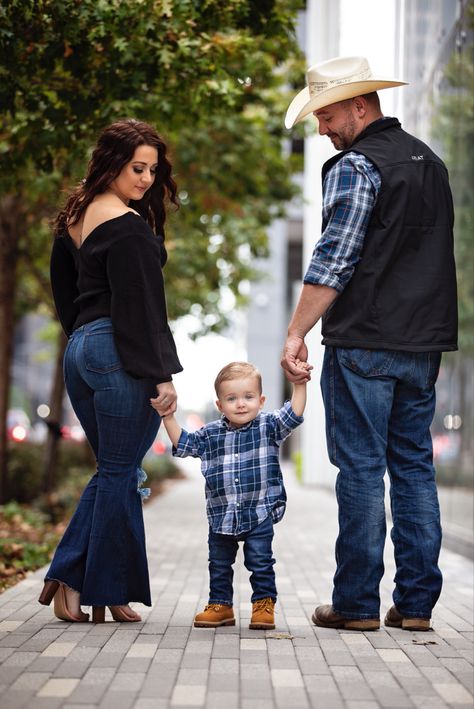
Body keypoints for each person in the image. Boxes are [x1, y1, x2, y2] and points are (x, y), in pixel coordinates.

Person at [281, 56, 457, 632]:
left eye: (327, 115)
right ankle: (415, 607)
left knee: (359, 469)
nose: (323, 129)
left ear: (361, 105)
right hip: (422, 345)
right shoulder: (431, 163)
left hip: (364, 342)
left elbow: (335, 257)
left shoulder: (357, 165)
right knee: (413, 469)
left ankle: (355, 604)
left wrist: (296, 330)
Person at [39, 119, 183, 623]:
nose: (145, 179)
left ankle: (109, 589)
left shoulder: (74, 219)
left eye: (152, 170)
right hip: (119, 351)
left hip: (82, 350)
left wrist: (84, 341)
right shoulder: (126, 225)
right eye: (136, 167)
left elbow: (65, 295)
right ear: (112, 163)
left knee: (116, 472)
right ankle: (70, 577)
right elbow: (143, 308)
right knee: (120, 470)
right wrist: (163, 376)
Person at [151, 361, 307, 629]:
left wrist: (299, 383)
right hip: (221, 516)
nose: (241, 404)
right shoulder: (211, 434)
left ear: (261, 400)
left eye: (248, 397)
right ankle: (221, 605)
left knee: (260, 562)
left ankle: (263, 606)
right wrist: (168, 417)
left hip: (259, 512)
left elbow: (293, 413)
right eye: (232, 399)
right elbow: (184, 443)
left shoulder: (268, 426)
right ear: (220, 405)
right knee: (219, 564)